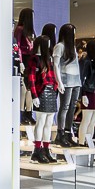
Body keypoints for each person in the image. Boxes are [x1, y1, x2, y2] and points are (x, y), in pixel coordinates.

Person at [25, 36, 60, 164]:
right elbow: (32, 78)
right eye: (48, 44)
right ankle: (37, 150)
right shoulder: (34, 59)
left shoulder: (48, 59)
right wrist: (34, 95)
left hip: (51, 91)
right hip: (41, 92)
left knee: (48, 123)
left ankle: (46, 149)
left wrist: (56, 87)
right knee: (41, 122)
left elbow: (52, 76)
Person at [52, 24, 81, 147]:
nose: (74, 35)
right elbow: (56, 65)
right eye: (73, 33)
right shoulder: (59, 47)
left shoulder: (72, 48)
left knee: (72, 107)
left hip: (76, 81)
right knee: (64, 107)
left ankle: (69, 133)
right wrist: (59, 82)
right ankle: (60, 134)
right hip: (66, 81)